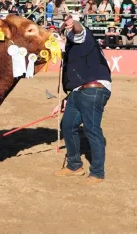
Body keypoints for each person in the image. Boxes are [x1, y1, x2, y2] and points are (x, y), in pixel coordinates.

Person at [52, 15, 112, 185]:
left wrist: (73, 24)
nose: (62, 36)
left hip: (94, 89)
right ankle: (74, 166)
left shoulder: (82, 36)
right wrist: (65, 101)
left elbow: (79, 30)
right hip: (79, 91)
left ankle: (97, 173)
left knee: (92, 129)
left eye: (63, 33)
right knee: (67, 125)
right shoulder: (71, 48)